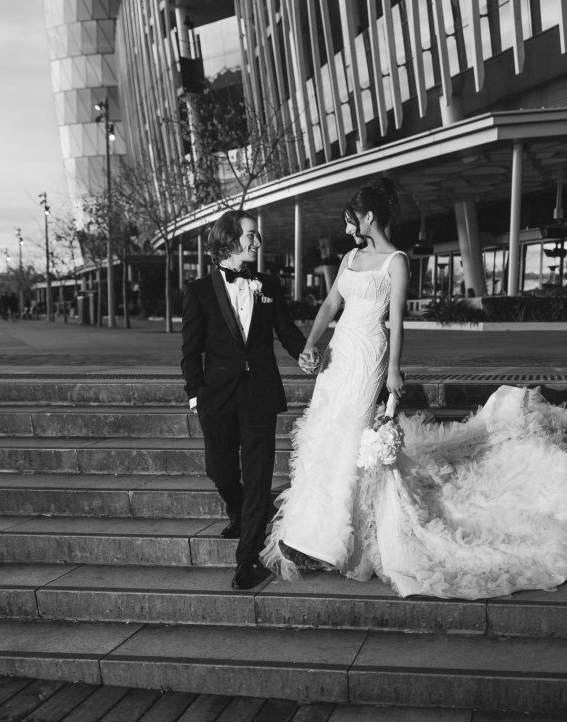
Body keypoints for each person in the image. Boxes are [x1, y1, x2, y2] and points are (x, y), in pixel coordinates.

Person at [261, 177, 567, 600]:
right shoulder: (349, 257)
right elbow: (331, 304)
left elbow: (396, 321)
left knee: (351, 435)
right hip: (339, 354)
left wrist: (393, 371)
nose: (348, 229)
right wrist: (311, 344)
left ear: (369, 217)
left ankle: (336, 536)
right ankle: (309, 530)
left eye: (352, 220)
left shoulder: (397, 261)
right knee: (323, 430)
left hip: (369, 354)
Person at [181, 208, 311, 590]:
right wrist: (195, 396)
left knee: (258, 476)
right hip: (217, 396)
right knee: (219, 470)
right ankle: (238, 512)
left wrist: (306, 354)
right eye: (250, 234)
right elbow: (190, 351)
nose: (258, 241)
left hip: (259, 393)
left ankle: (247, 558)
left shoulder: (268, 284)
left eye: (256, 234)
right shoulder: (199, 291)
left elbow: (286, 329)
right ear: (229, 239)